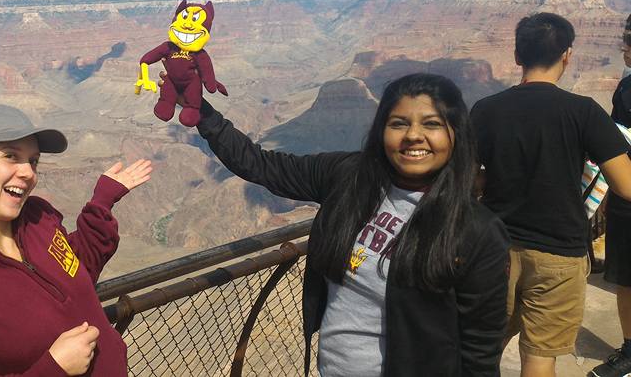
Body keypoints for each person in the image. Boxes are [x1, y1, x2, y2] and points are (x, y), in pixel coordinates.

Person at [186, 72, 509, 376]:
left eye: (431, 124)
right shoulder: (349, 177)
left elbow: (480, 347)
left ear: (455, 134)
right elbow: (262, 166)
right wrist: (202, 112)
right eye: (399, 123)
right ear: (382, 130)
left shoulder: (474, 230)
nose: (413, 135)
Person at [0, 104, 152, 376]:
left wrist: (101, 203)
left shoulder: (39, 219)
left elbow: (78, 270)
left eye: (33, 160)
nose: (28, 172)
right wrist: (54, 368)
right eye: (11, 156)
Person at [472, 12, 631, 377]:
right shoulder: (583, 112)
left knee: (483, 349)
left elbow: (466, 179)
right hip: (560, 254)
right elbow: (626, 185)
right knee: (540, 358)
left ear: (516, 57)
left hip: (496, 249)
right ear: (567, 55)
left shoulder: (485, 110)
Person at [589, 13, 631, 377]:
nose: (624, 46)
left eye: (630, 39)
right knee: (625, 278)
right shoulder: (627, 87)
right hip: (626, 196)